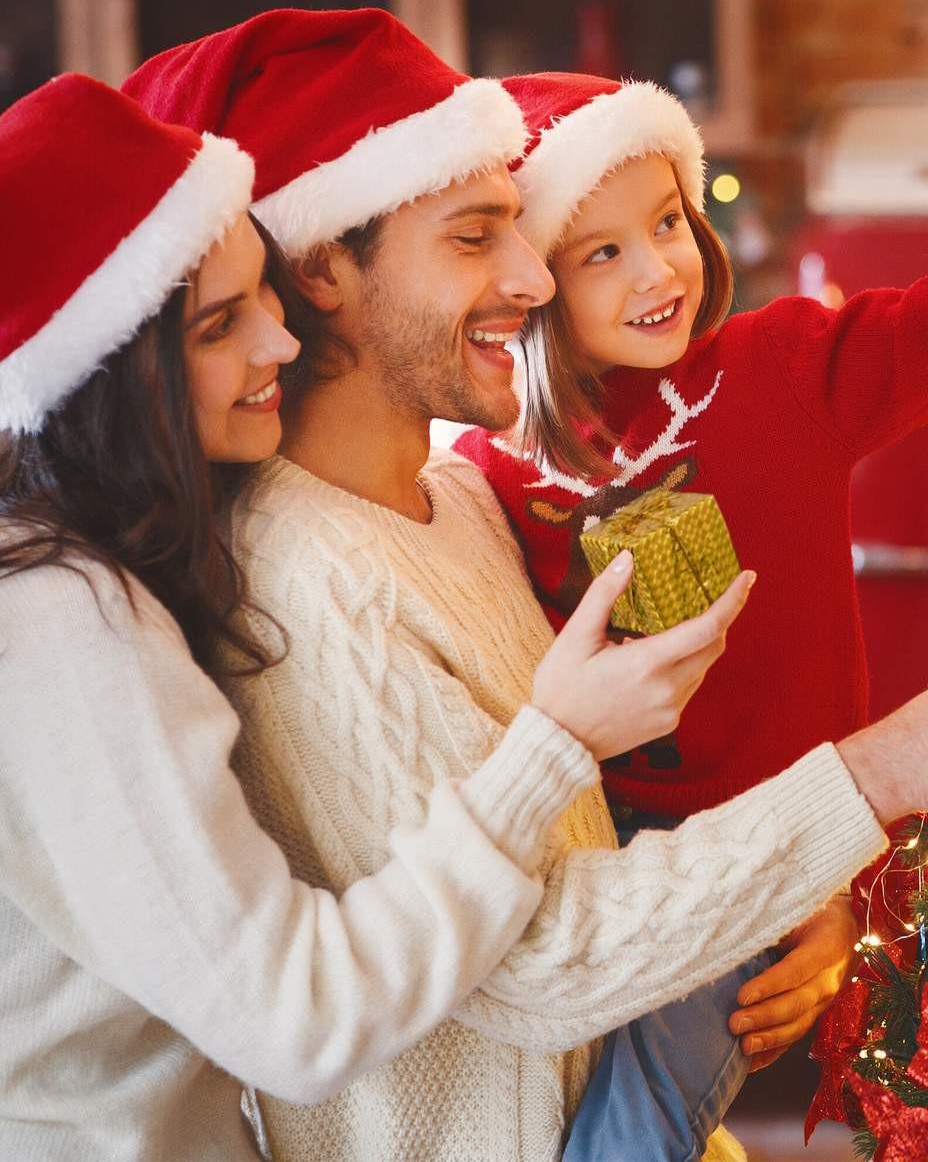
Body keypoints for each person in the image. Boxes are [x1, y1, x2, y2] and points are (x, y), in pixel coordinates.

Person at [126, 6, 928, 1162]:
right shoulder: (333, 580)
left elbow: (592, 860)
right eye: (478, 234)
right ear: (328, 265)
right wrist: (869, 782)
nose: (530, 276)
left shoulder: (460, 503)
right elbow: (542, 964)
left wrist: (809, 884)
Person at [0, 74, 741, 1162]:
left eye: (265, 300)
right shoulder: (66, 623)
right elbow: (298, 1014)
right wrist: (558, 745)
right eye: (219, 326)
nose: (282, 345)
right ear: (115, 379)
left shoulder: (136, 566)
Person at [457, 12, 928, 1064]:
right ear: (531, 283)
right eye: (601, 253)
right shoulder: (493, 474)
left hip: (808, 852)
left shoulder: (780, 369)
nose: (657, 273)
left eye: (667, 223)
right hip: (616, 891)